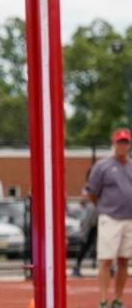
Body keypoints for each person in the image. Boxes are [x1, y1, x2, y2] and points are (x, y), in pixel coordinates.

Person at [86, 128, 132, 308]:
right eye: (120, 142)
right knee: (106, 259)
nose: (123, 146)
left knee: (124, 259)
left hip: (129, 218)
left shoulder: (130, 166)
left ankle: (118, 299)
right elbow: (92, 192)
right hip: (110, 217)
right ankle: (104, 300)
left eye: (126, 142)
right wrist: (102, 207)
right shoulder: (102, 166)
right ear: (114, 143)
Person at [74, 169, 99, 277]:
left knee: (103, 244)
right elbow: (83, 201)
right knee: (85, 244)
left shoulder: (101, 185)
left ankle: (110, 267)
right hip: (89, 220)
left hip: (100, 217)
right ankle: (77, 266)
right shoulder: (88, 187)